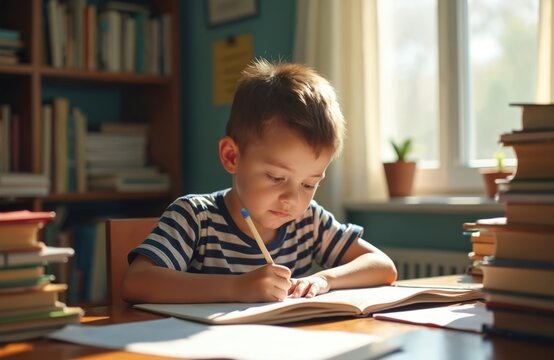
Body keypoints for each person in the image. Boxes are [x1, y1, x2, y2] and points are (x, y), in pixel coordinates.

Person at [121, 59, 397, 304]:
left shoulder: (308, 223)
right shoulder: (196, 218)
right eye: (276, 177)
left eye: (309, 184)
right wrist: (236, 288)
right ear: (232, 156)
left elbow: (382, 266)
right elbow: (137, 282)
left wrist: (326, 279)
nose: (292, 199)